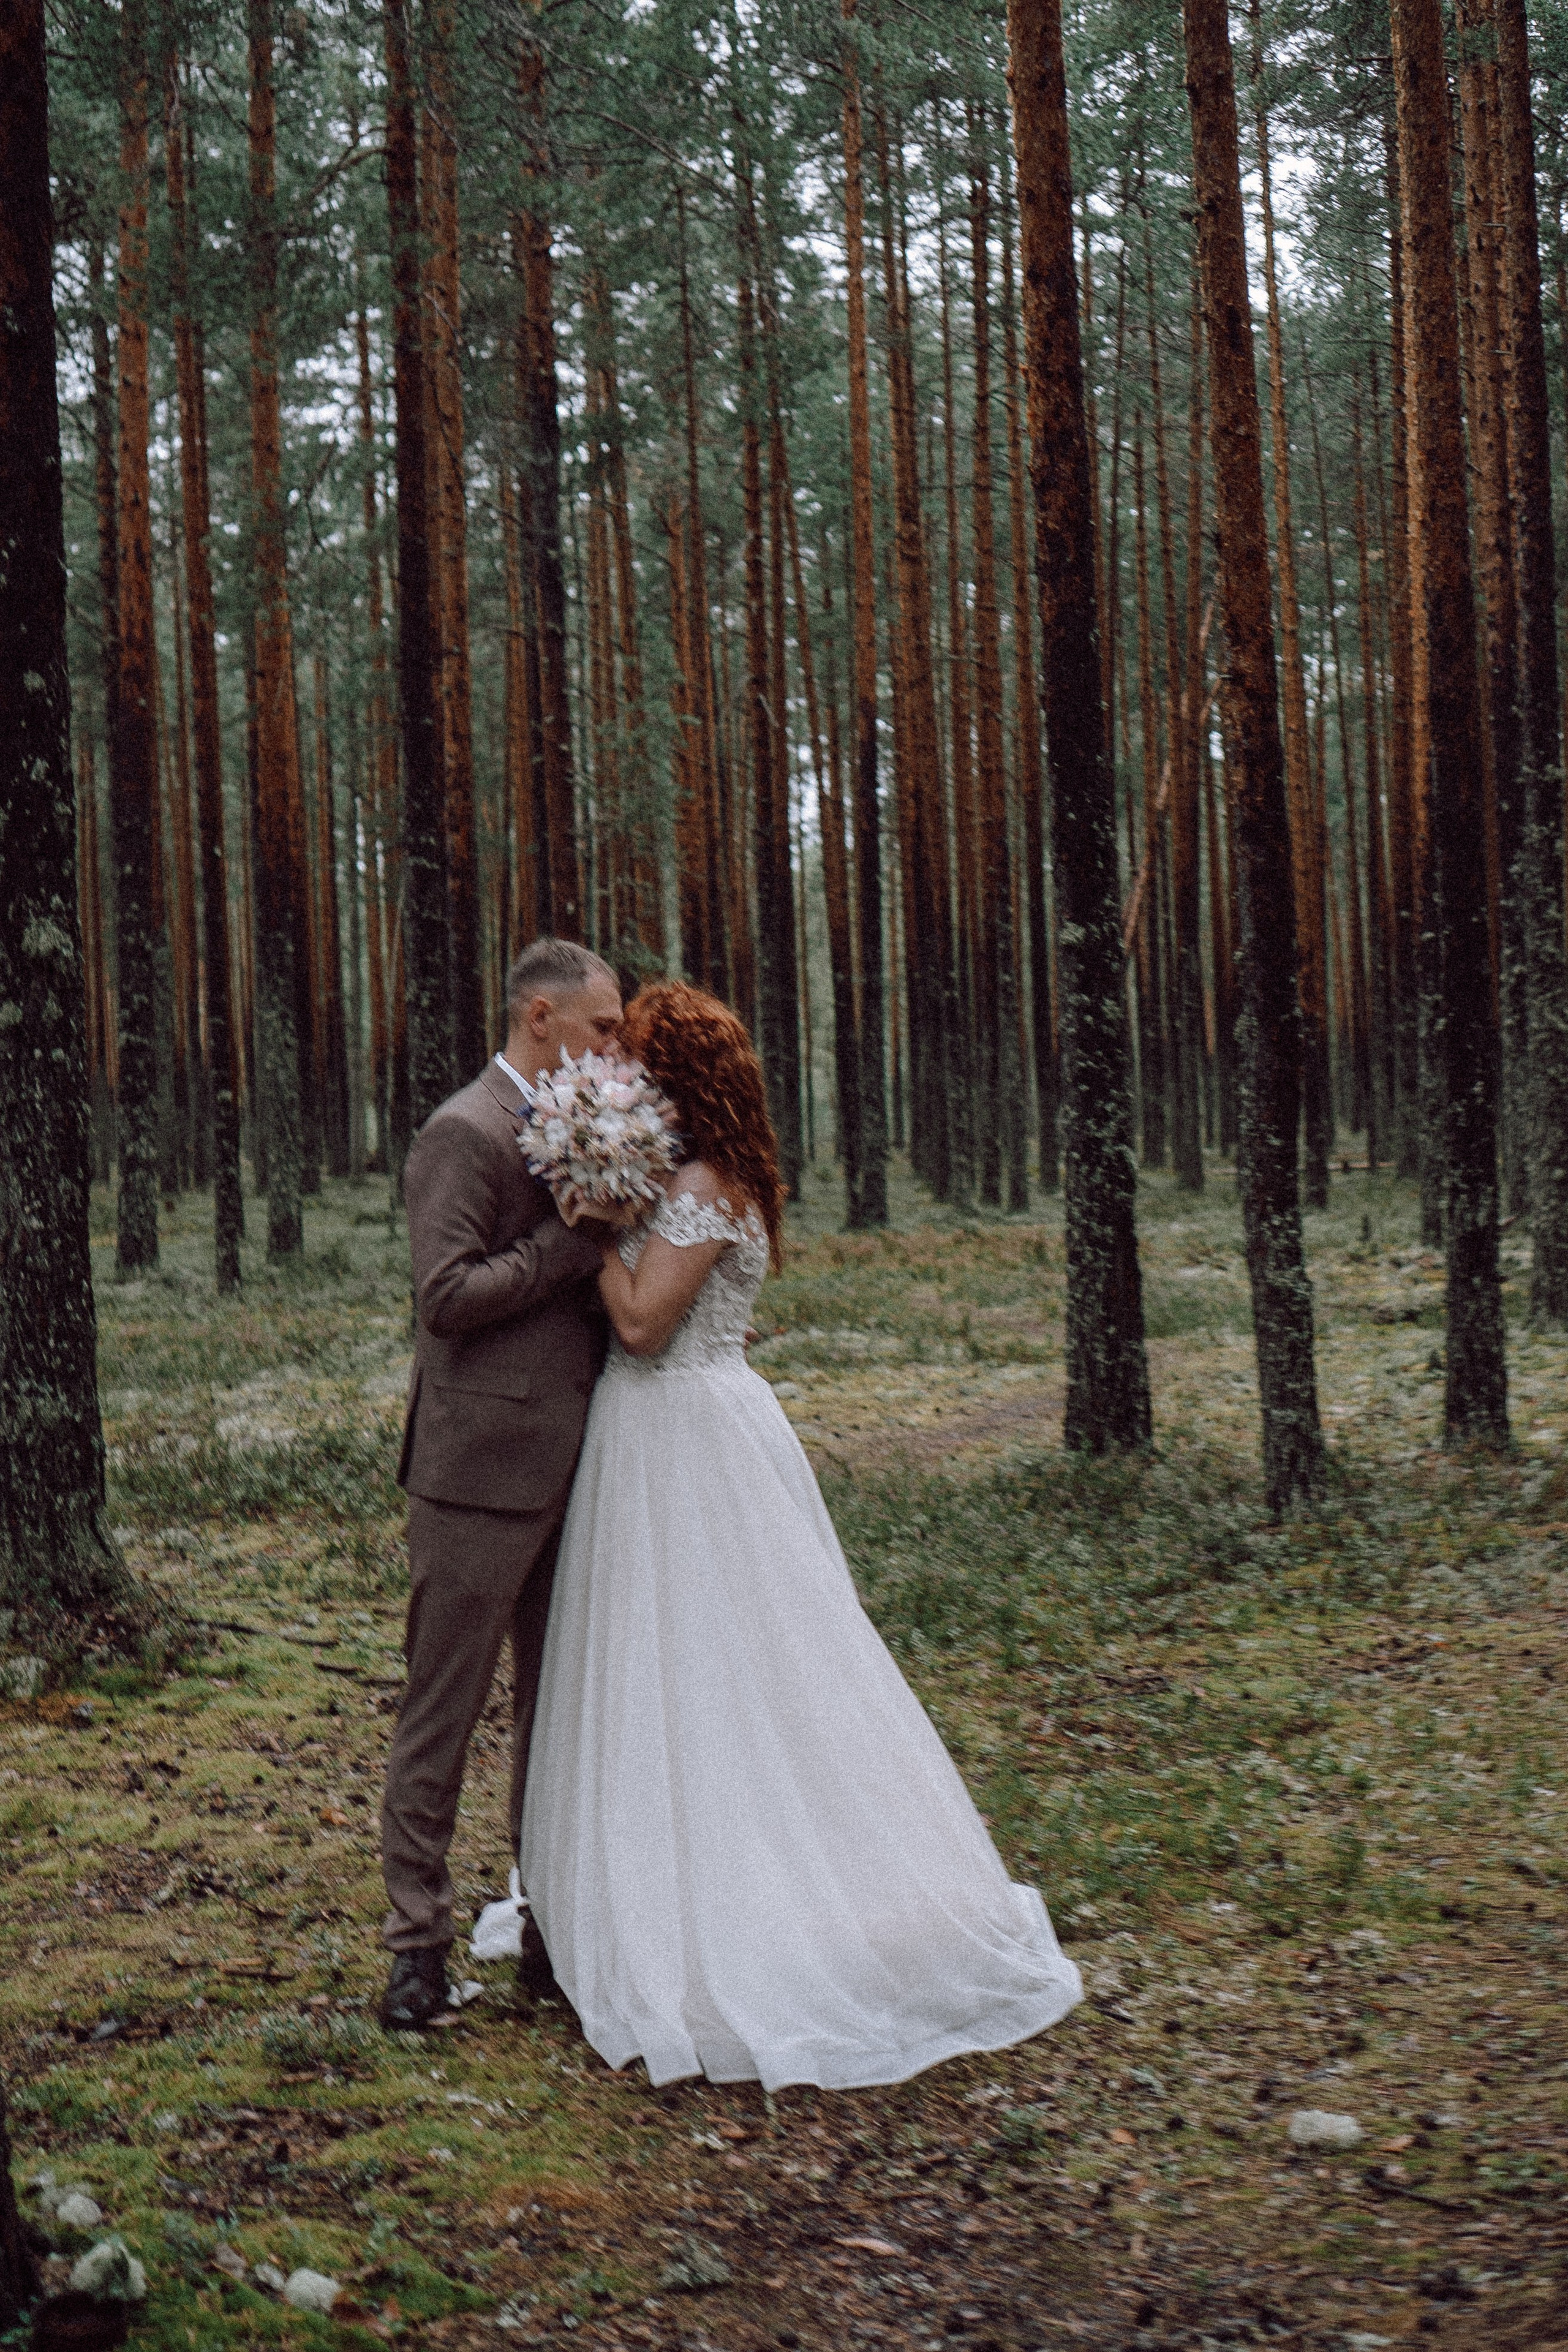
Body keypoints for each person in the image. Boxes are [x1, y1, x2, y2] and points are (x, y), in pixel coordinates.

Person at [521, 981, 1082, 2089]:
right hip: (673, 1433)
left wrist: (582, 1224)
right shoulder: (714, 1179)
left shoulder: (705, 1185)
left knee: (728, 1668)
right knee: (674, 1665)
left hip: (682, 1435)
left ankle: (731, 1906)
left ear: (678, 1080)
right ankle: (668, 1872)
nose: (624, 1075)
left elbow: (640, 1326)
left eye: (639, 1060)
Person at [378, 937, 629, 2030]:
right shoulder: (463, 1131)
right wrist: (569, 1251)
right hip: (475, 1476)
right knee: (443, 1712)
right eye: (603, 1029)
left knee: (554, 1714)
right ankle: (416, 1952)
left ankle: (545, 1929)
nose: (616, 1050)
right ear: (541, 1018)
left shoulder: (586, 1126)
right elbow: (445, 1295)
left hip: (582, 1466)